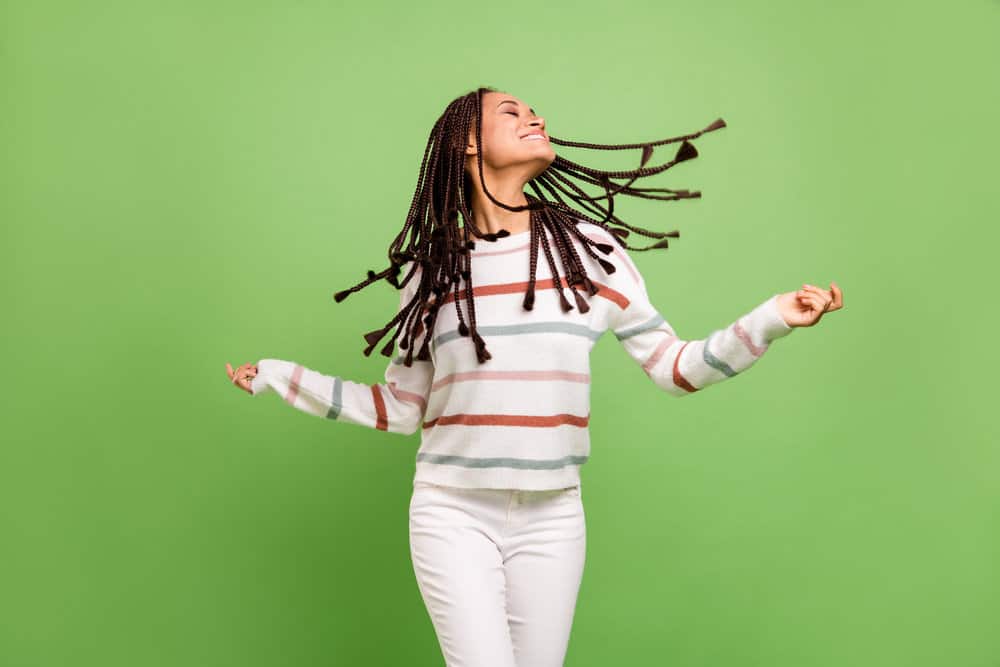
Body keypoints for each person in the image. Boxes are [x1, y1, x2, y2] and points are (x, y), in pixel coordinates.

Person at [226, 86, 843, 666]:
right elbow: (402, 407)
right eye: (513, 113)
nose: (536, 119)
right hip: (453, 513)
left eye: (534, 112)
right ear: (467, 144)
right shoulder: (432, 269)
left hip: (554, 517)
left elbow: (673, 368)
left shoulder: (591, 252)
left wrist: (771, 320)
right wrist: (283, 378)